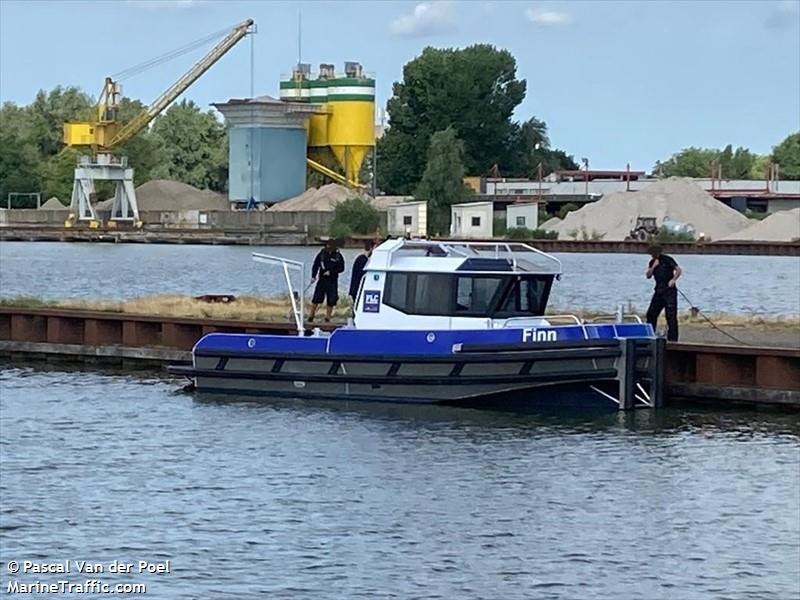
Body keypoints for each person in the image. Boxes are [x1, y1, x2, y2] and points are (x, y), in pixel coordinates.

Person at [645, 244, 682, 341]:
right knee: (651, 314)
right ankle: (650, 336)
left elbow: (678, 270)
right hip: (658, 291)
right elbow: (648, 275)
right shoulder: (652, 262)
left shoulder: (667, 259)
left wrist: (673, 280)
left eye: (654, 254)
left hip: (669, 291)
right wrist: (653, 267)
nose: (652, 256)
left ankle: (673, 339)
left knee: (670, 315)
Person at [308, 240, 345, 323]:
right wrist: (313, 276)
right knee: (316, 298)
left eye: (330, 246)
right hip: (322, 279)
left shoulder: (338, 256)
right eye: (327, 245)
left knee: (331, 299)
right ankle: (311, 316)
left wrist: (331, 272)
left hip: (332, 281)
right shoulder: (321, 254)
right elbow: (315, 265)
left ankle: (327, 318)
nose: (328, 247)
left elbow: (341, 268)